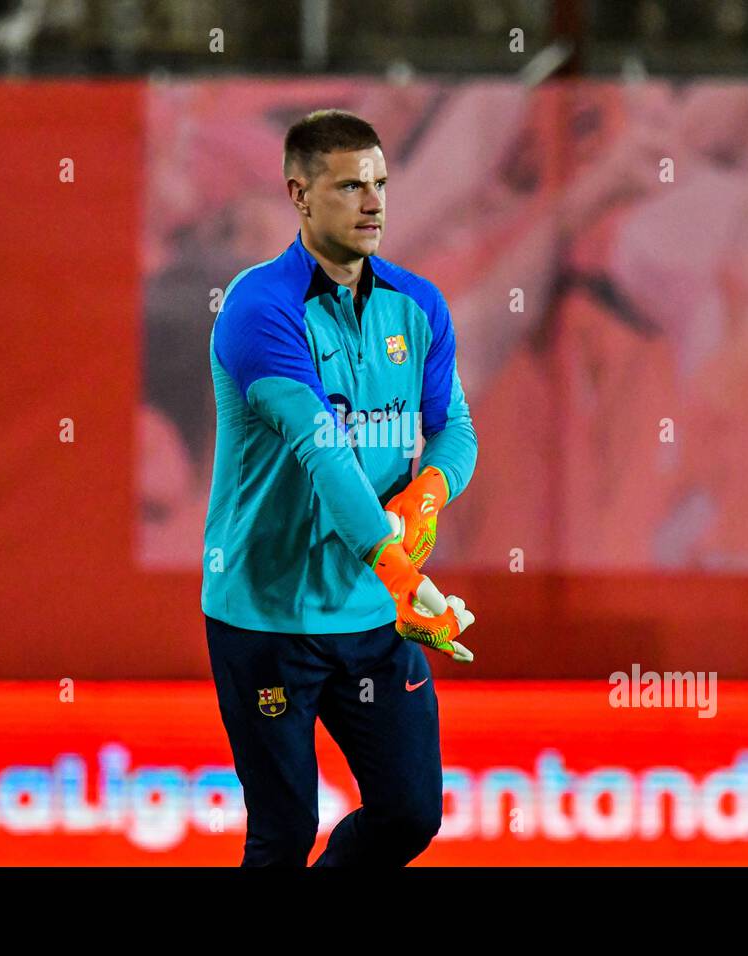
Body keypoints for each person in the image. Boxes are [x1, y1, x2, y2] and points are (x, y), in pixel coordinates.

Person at [201, 109, 478, 866]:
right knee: (284, 832)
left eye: (382, 183)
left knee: (411, 815)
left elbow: (455, 431)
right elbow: (323, 452)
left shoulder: (417, 304)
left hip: (371, 620)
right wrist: (399, 569)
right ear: (298, 194)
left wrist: (427, 495)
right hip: (266, 618)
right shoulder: (261, 309)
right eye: (351, 185)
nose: (374, 202)